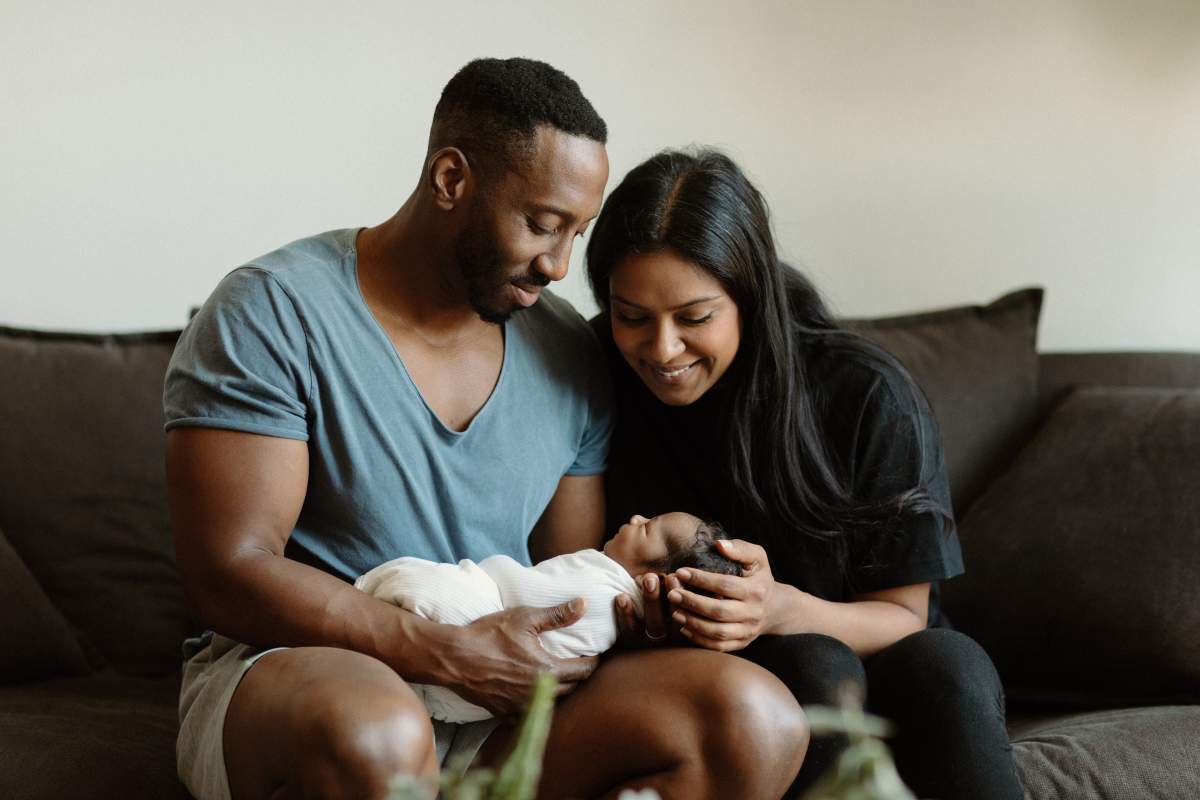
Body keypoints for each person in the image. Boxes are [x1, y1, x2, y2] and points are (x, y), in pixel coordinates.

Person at [164, 60, 807, 800]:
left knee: (756, 718)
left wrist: (634, 617)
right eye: (542, 223)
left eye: (577, 232)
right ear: (450, 180)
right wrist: (446, 654)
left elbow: (566, 577)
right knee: (383, 734)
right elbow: (228, 572)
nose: (561, 265)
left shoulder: (568, 350)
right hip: (303, 677)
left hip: (501, 694)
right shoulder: (273, 312)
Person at [586, 148, 1025, 800]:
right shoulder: (595, 378)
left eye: (695, 317)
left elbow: (906, 615)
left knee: (949, 663)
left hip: (875, 652)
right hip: (709, 673)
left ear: (750, 295)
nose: (662, 349)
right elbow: (571, 569)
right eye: (632, 317)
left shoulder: (865, 393)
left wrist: (779, 608)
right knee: (814, 665)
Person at [356, 512, 741, 723]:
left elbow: (522, 592)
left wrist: (494, 570)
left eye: (648, 528)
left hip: (467, 626)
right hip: (462, 711)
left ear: (651, 580)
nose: (636, 517)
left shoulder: (600, 585)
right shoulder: (616, 608)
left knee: (438, 587)